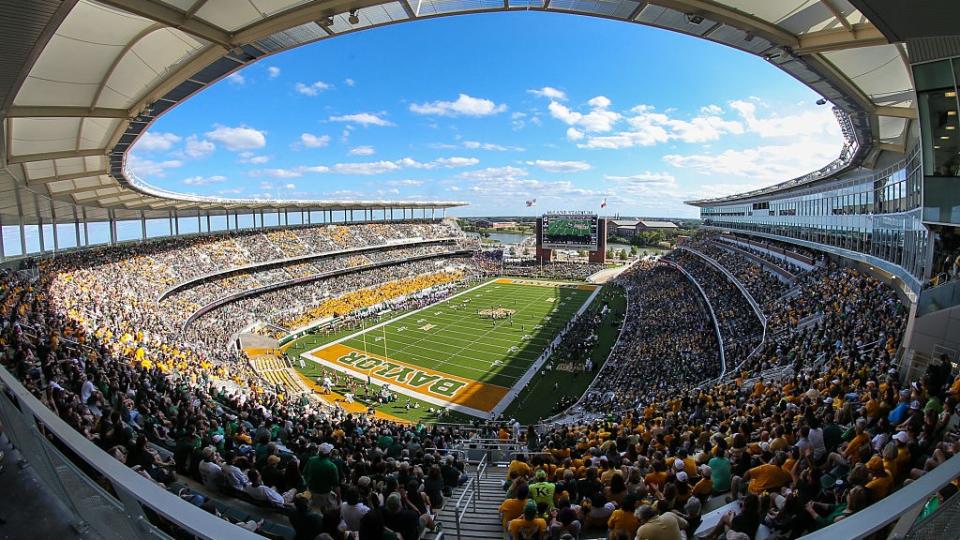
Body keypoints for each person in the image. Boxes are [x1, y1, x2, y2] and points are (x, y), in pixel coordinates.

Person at [304, 442, 340, 511]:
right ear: (329, 454)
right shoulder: (332, 467)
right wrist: (338, 499)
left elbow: (304, 474)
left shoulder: (311, 460)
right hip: (324, 494)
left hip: (311, 491)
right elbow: (336, 486)